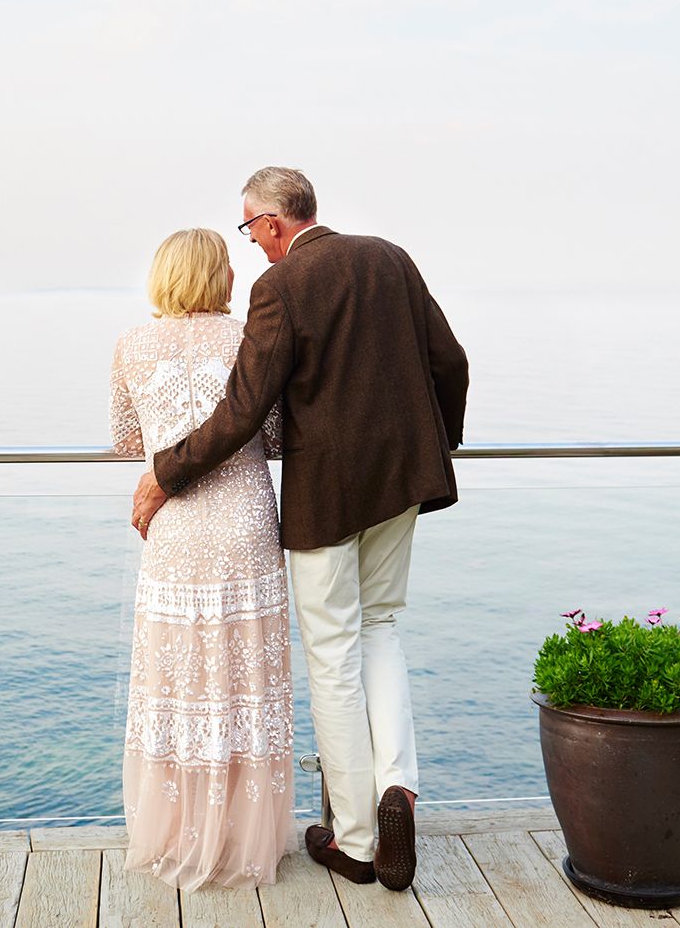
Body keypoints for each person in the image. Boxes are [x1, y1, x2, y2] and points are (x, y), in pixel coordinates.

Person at [132, 167, 469, 892]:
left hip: (328, 496)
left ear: (273, 222)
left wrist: (167, 471)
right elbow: (451, 362)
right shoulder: (391, 257)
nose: (250, 244)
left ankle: (354, 838)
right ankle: (398, 788)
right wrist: (436, 442)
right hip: (404, 479)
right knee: (382, 626)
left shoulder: (279, 287)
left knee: (332, 656)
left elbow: (244, 408)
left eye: (249, 230)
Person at [109, 227, 295, 889]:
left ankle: (174, 831)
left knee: (178, 685)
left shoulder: (131, 345)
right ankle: (245, 835)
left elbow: (129, 441)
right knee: (244, 683)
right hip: (244, 519)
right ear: (221, 276)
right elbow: (271, 435)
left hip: (176, 527)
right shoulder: (251, 339)